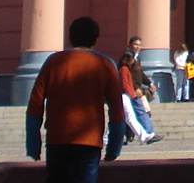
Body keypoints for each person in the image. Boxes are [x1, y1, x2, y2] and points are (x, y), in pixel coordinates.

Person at [25, 15, 125, 183]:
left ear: (70, 37)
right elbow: (117, 110)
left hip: (57, 139)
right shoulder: (106, 65)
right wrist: (114, 147)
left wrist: (33, 145)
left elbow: (35, 104)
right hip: (90, 141)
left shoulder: (53, 62)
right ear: (95, 38)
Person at [124, 37, 158, 139]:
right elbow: (126, 74)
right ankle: (149, 133)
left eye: (139, 45)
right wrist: (135, 88)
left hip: (133, 90)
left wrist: (149, 83)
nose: (137, 47)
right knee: (140, 112)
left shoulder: (136, 58)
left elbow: (140, 74)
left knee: (130, 114)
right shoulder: (128, 57)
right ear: (129, 45)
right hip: (131, 90)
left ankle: (129, 135)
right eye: (135, 44)